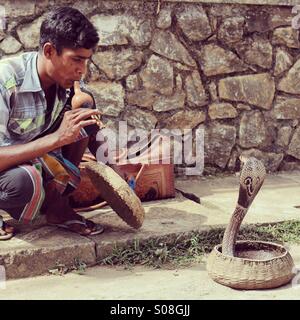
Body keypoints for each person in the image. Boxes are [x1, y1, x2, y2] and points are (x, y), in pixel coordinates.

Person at [0, 6, 106, 239]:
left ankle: (59, 208)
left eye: (87, 61)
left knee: (83, 110)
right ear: (49, 50)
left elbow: (92, 129)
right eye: (76, 60)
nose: (82, 70)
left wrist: (115, 167)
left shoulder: (66, 81)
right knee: (24, 182)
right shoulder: (6, 79)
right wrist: (56, 139)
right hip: (9, 167)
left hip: (32, 158)